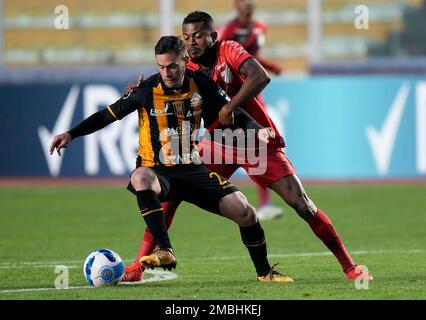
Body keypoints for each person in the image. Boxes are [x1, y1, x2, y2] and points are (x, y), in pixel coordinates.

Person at [122, 11, 373, 283]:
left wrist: (230, 106)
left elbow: (260, 76)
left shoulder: (228, 49)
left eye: (198, 36)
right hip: (216, 144)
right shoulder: (187, 66)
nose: (192, 42)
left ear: (213, 36)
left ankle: (350, 267)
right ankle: (138, 267)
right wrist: (137, 89)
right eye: (187, 37)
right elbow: (159, 82)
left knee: (301, 204)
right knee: (169, 199)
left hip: (254, 141)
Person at [49, 35, 293, 283]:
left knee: (245, 212)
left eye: (172, 66)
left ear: (185, 61)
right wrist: (71, 133)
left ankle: (264, 273)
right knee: (140, 176)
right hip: (159, 173)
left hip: (192, 170)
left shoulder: (201, 83)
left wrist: (257, 128)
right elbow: (106, 116)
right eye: (161, 67)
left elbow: (232, 109)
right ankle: (165, 250)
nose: (167, 72)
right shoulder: (144, 91)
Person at [219, 0, 283, 220]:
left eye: (250, 1)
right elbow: (226, 57)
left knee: (260, 148)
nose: (247, 5)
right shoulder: (228, 31)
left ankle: (265, 203)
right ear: (236, 5)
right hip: (235, 95)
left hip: (254, 93)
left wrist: (271, 67)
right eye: (242, 1)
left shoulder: (260, 27)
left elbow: (251, 58)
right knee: (249, 148)